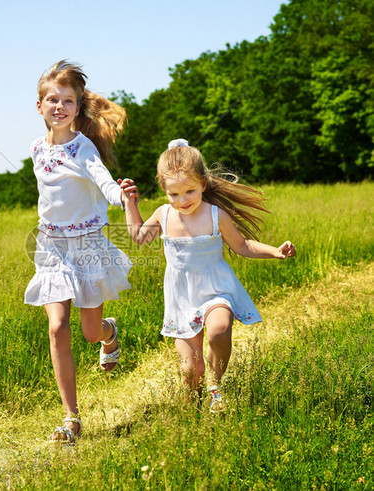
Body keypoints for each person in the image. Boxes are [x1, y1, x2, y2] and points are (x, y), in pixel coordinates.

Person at [119, 139, 295, 412]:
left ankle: (216, 385)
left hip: (216, 289)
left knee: (219, 330)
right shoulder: (164, 215)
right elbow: (139, 237)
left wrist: (276, 251)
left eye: (189, 191)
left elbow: (242, 245)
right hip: (181, 297)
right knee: (191, 371)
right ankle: (195, 406)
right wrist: (130, 203)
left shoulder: (216, 215)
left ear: (203, 184)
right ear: (164, 190)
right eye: (174, 194)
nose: (183, 200)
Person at [24, 60, 132, 442]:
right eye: (52, 99)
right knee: (57, 328)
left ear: (77, 106)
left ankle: (109, 333)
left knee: (88, 333)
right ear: (39, 106)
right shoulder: (37, 148)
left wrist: (123, 195)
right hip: (51, 247)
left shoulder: (83, 146)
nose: (59, 106)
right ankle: (71, 418)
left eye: (67, 100)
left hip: (87, 246)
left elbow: (103, 181)